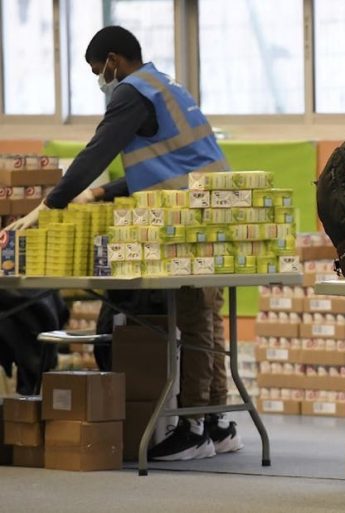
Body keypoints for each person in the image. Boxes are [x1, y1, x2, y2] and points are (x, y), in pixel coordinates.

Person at [4, 26, 241, 460]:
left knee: (193, 315)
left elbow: (97, 149)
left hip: (189, 218)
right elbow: (165, 163)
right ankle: (216, 422)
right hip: (212, 209)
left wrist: (49, 204)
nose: (101, 79)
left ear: (114, 60)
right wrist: (98, 193)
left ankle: (193, 428)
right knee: (206, 314)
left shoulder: (130, 93)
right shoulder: (164, 85)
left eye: (99, 70)